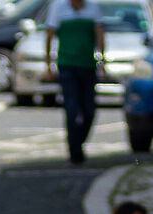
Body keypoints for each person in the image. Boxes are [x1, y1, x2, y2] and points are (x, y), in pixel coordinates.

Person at [45, 0, 106, 162]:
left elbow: (99, 34)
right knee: (71, 108)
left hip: (87, 65)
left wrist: (102, 62)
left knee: (89, 109)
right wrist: (49, 65)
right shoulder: (58, 8)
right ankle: (74, 150)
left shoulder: (93, 8)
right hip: (67, 65)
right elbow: (49, 35)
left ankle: (78, 141)